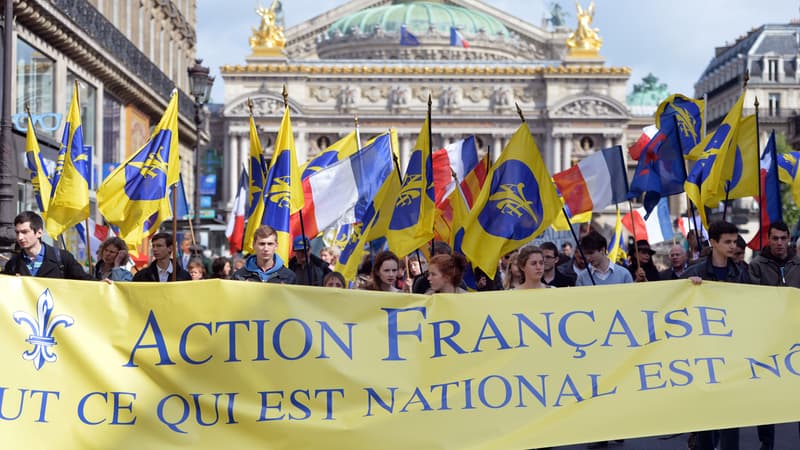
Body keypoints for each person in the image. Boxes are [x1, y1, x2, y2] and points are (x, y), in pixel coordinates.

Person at [683, 221, 750, 450]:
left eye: (734, 242)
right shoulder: (693, 273)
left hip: (732, 355)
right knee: (706, 418)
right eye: (727, 242)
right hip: (702, 356)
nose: (733, 246)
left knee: (731, 418)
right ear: (713, 243)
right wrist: (688, 289)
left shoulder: (742, 273)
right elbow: (675, 307)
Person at [748, 221, 800, 450]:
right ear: (768, 239)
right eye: (775, 238)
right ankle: (766, 443)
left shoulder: (798, 265)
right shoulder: (756, 266)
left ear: (789, 238)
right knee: (766, 394)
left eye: (783, 238)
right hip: (767, 340)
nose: (779, 243)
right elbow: (751, 298)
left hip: (795, 338)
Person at [2, 211, 92, 280]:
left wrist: (102, 285)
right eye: (17, 232)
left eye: (25, 232)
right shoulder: (13, 264)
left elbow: (85, 282)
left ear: (39, 233)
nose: (20, 237)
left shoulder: (62, 258)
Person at [231, 225, 295, 283]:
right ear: (254, 245)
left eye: (270, 244)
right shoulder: (239, 276)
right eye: (262, 244)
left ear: (276, 246)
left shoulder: (289, 277)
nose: (266, 249)